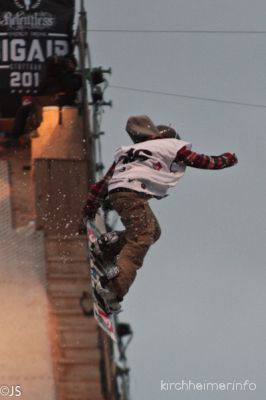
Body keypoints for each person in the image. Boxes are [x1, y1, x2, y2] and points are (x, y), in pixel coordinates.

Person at [83, 115, 238, 311]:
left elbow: (103, 183)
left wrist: (89, 208)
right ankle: (113, 288)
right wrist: (227, 159)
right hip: (132, 195)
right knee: (142, 237)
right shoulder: (171, 145)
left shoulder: (129, 152)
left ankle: (109, 244)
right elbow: (201, 161)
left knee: (153, 231)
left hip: (118, 193)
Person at [1, 54, 82, 147]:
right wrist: (52, 69)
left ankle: (39, 128)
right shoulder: (54, 75)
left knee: (37, 101)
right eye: (68, 62)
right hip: (46, 100)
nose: (68, 65)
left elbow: (70, 87)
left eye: (70, 63)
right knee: (22, 110)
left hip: (62, 101)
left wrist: (64, 74)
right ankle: (14, 138)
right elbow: (40, 90)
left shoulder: (76, 77)